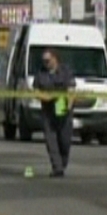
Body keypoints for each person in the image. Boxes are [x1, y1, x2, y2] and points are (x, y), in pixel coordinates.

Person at [33, 48, 76, 177]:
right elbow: (35, 90)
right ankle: (57, 167)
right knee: (51, 141)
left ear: (55, 59)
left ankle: (62, 162)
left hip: (63, 110)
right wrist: (44, 97)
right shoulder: (40, 73)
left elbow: (71, 90)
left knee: (65, 141)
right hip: (48, 112)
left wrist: (68, 105)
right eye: (44, 61)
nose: (45, 63)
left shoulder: (65, 72)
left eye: (48, 60)